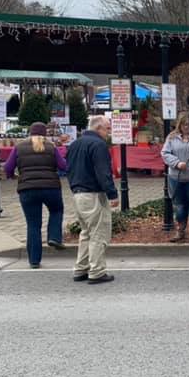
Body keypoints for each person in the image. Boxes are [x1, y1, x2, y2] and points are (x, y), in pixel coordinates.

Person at [4, 122, 67, 269]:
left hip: (27, 189)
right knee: (56, 210)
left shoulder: (19, 147)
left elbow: (7, 167)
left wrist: (12, 176)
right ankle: (54, 237)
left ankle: (34, 260)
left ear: (30, 133)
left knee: (33, 224)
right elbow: (63, 166)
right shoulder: (51, 147)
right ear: (45, 134)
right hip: (51, 188)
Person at [66, 115, 119, 284]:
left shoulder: (74, 144)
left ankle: (81, 268)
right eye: (107, 129)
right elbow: (103, 172)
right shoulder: (98, 145)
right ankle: (96, 271)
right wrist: (112, 193)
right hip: (94, 193)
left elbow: (68, 169)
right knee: (98, 233)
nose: (108, 133)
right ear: (98, 128)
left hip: (78, 193)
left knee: (86, 233)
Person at [161, 113, 189, 243]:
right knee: (179, 207)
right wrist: (177, 163)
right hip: (176, 177)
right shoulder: (171, 137)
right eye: (185, 124)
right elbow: (164, 153)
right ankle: (180, 230)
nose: (187, 127)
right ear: (180, 124)